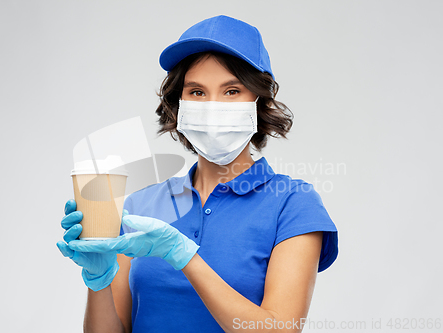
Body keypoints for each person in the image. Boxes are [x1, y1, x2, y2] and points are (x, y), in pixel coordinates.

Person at [57, 15, 338, 333]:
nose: (213, 106)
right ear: (179, 105)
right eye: (197, 92)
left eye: (232, 91)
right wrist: (98, 281)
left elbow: (280, 329)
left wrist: (184, 256)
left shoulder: (293, 204)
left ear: (258, 102)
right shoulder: (139, 206)